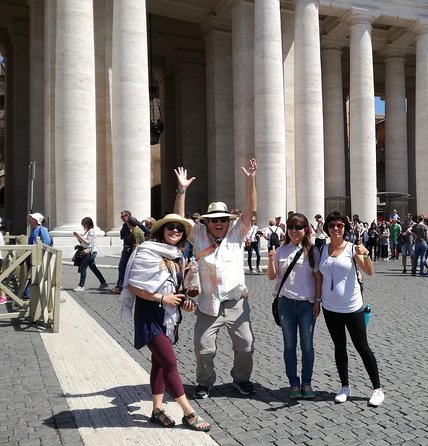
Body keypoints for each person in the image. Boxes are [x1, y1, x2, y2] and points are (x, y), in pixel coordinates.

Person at [120, 213, 211, 432]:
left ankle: (157, 410)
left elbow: (175, 290)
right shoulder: (146, 251)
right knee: (170, 364)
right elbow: (133, 285)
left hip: (168, 318)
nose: (175, 231)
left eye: (179, 229)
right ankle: (188, 413)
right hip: (150, 316)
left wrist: (184, 303)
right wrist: (163, 298)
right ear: (162, 230)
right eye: (170, 227)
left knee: (159, 363)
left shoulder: (176, 256)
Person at [174, 161, 257, 399]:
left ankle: (241, 379)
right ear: (206, 221)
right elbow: (179, 219)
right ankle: (205, 382)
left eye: (222, 219)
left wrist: (250, 181)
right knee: (203, 348)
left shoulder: (236, 234)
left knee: (246, 344)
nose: (219, 223)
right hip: (208, 303)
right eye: (214, 219)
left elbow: (251, 209)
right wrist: (182, 191)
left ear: (228, 221)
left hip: (235, 302)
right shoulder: (198, 235)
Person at [319, 211, 384, 407]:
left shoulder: (352, 248)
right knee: (339, 348)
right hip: (330, 308)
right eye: (332, 225)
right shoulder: (321, 249)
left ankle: (377, 388)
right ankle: (345, 386)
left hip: (352, 307)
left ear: (345, 227)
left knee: (362, 347)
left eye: (340, 225)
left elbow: (369, 272)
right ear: (327, 228)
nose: (336, 228)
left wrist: (364, 254)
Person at [267, 213, 322, 399]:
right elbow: (272, 276)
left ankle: (307, 382)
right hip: (286, 304)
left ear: (305, 230)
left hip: (307, 305)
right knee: (289, 345)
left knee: (307, 346)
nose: (294, 231)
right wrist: (270, 260)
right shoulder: (281, 251)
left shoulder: (313, 251)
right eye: (291, 227)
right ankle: (293, 383)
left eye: (298, 227)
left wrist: (317, 301)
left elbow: (317, 277)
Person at [112, 211, 150, 294]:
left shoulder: (135, 225)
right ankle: (120, 285)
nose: (121, 218)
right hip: (126, 248)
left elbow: (147, 232)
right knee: (122, 268)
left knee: (125, 268)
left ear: (128, 216)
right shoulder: (125, 225)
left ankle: (122, 286)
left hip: (131, 249)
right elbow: (122, 235)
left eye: (123, 216)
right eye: (121, 216)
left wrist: (141, 239)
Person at [72, 217, 109, 291]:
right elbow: (84, 243)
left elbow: (88, 242)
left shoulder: (91, 231)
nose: (83, 225)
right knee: (93, 268)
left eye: (84, 224)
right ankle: (103, 283)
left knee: (83, 267)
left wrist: (79, 236)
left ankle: (81, 286)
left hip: (90, 252)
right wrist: (78, 238)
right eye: (83, 224)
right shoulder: (87, 231)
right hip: (87, 251)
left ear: (88, 223)